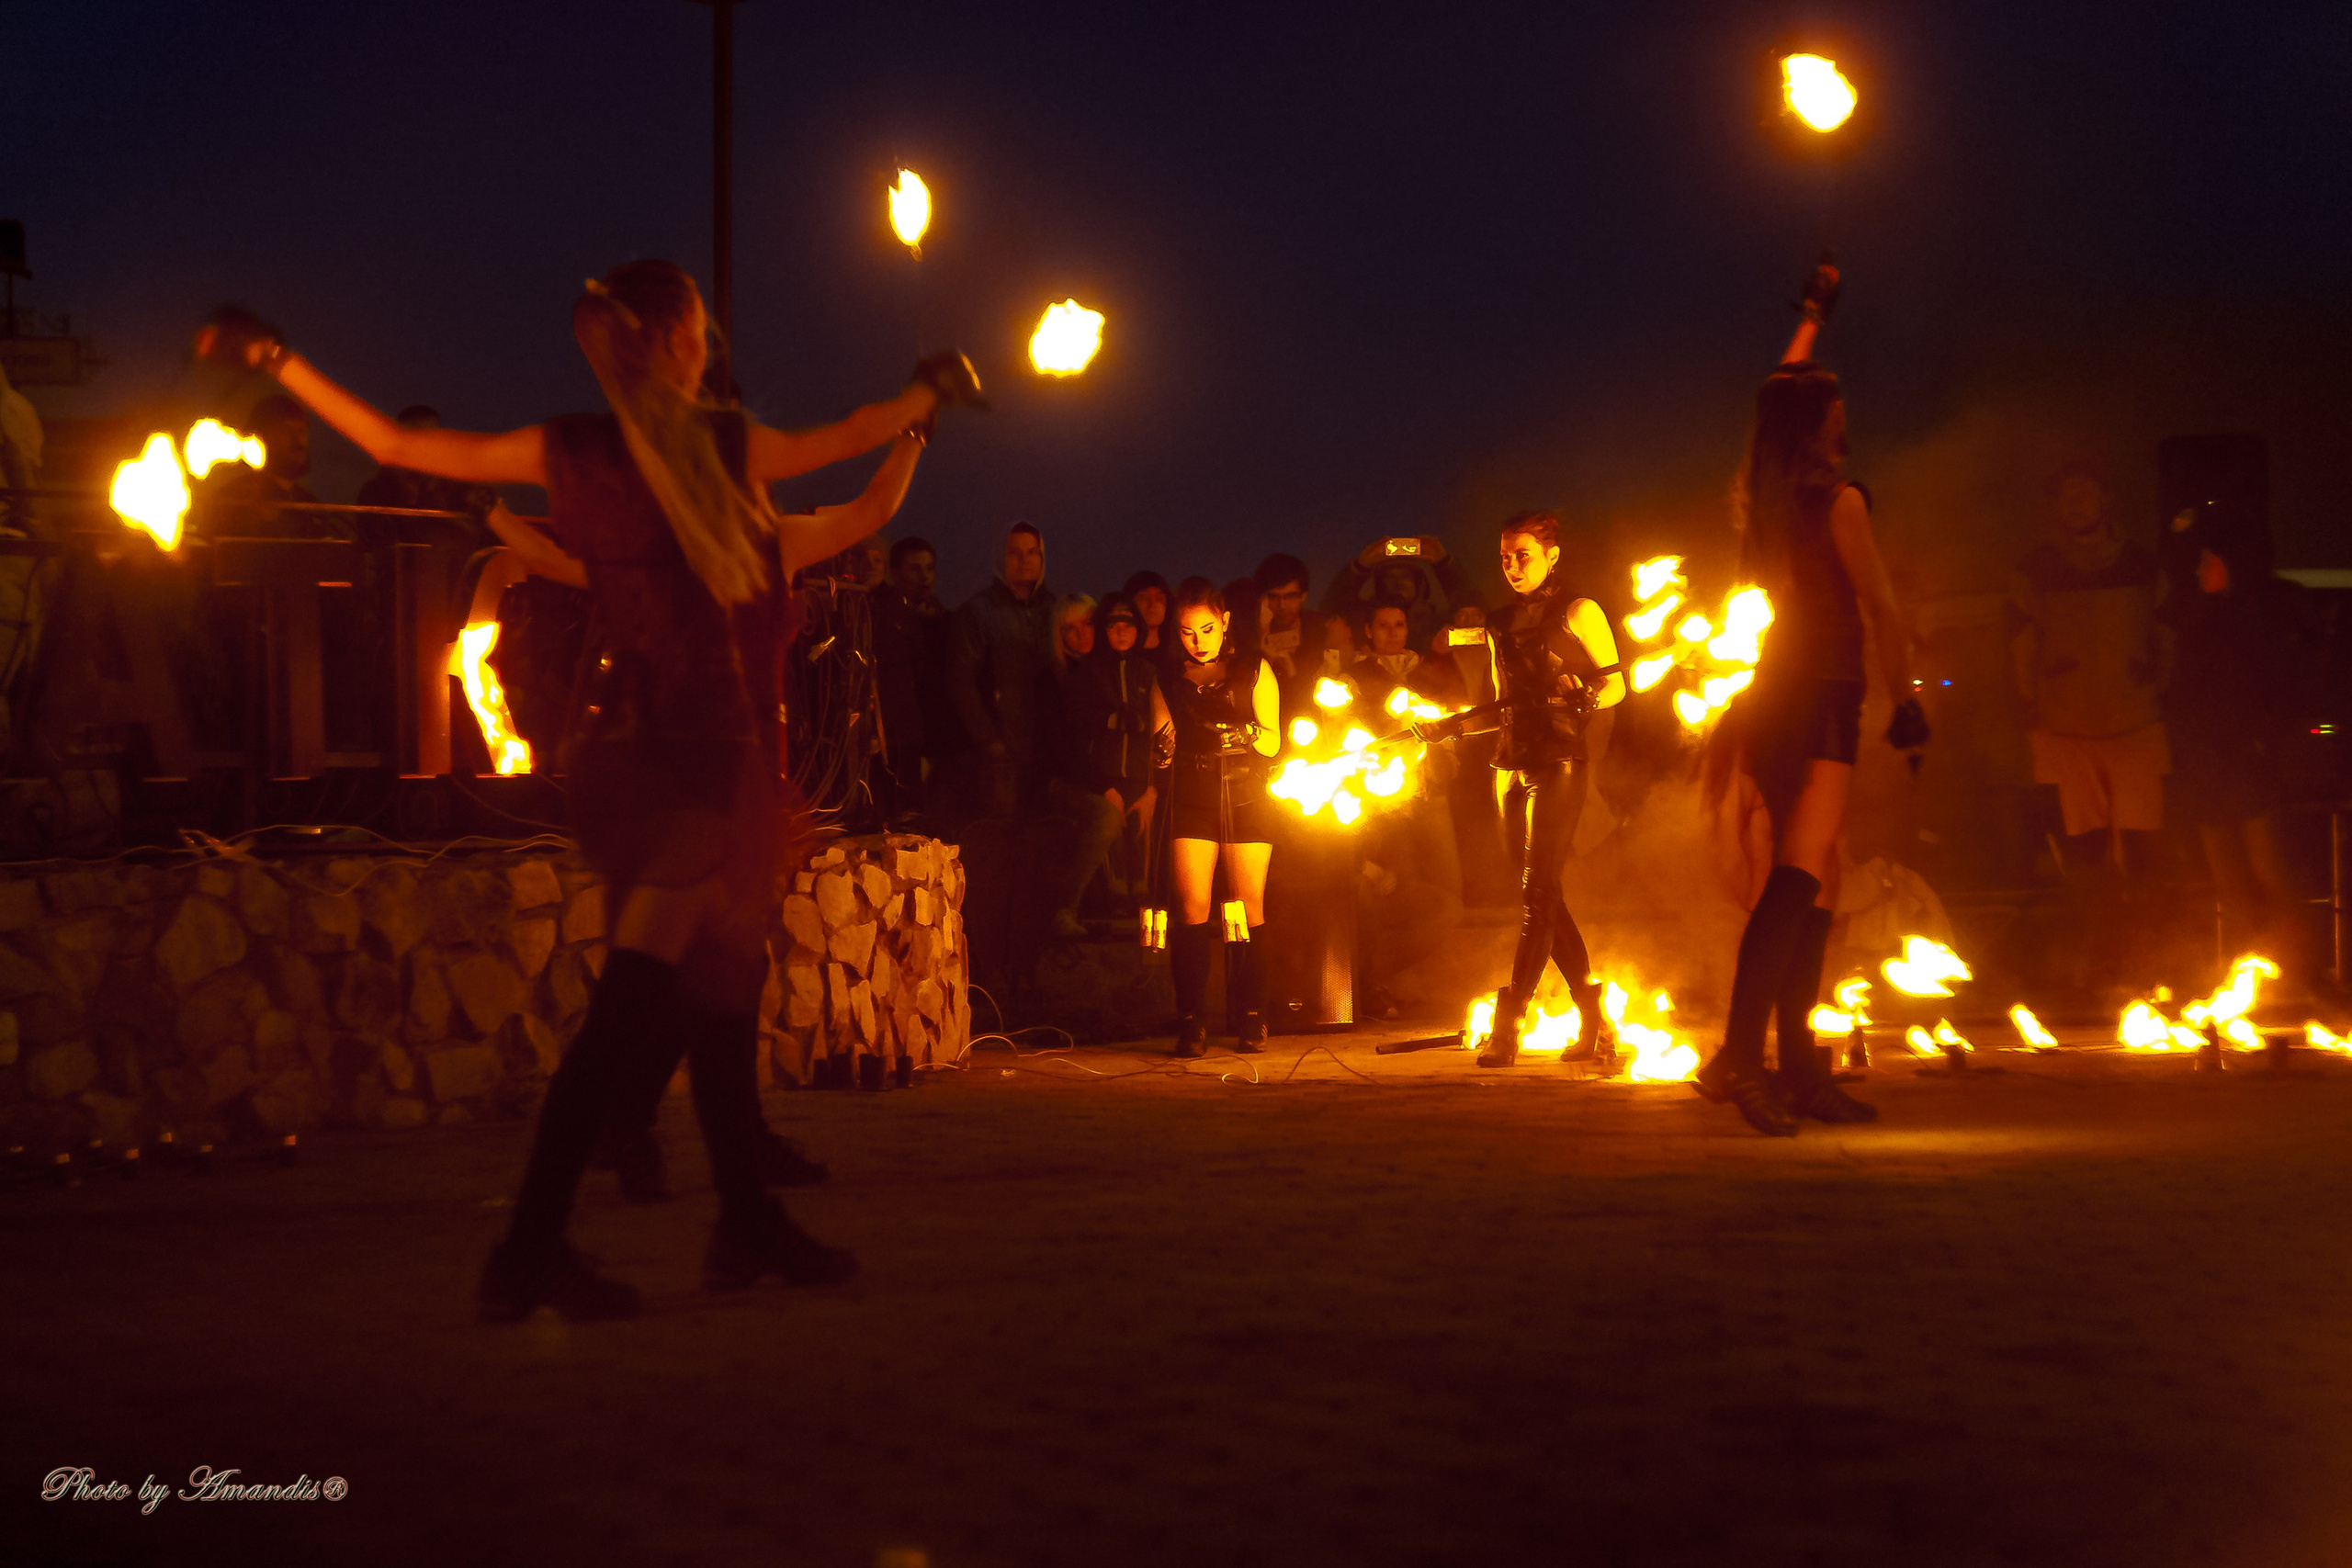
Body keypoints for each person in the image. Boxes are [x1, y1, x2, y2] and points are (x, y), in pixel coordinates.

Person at [194, 273, 971, 1318]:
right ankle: (531, 1246)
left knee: (721, 994)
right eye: (696, 329)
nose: (706, 343)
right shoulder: (720, 449)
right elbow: (850, 434)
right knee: (636, 1006)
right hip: (683, 764)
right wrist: (927, 393)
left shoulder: (584, 447)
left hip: (648, 758)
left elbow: (392, 444)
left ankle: (741, 1224)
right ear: (678, 345)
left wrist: (277, 359)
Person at [1693, 263, 1924, 1135]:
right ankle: (1738, 1061)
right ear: (1826, 422)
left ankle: (1796, 1069)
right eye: (1836, 401)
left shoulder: (1764, 499)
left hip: (1778, 695)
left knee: (1819, 879)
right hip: (1825, 695)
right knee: (1798, 879)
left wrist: (1811, 321)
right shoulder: (1841, 501)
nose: (1844, 408)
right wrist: (1909, 705)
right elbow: (1886, 612)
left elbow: (1774, 398)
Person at [1417, 514, 1624, 1067]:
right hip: (1508, 767)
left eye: (1523, 556)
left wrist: (1585, 696)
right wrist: (1451, 726)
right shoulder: (1500, 622)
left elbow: (1617, 684)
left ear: (1552, 556)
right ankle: (1595, 1021)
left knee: (1539, 892)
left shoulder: (1580, 611)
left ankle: (1510, 1022)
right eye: (1505, 557)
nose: (1512, 566)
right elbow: (1499, 706)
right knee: (1541, 896)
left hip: (1559, 762)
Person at [2005, 464, 2173, 981]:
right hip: (2065, 729)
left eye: (2087, 491)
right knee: (2083, 854)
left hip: (2137, 724)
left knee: (2146, 849)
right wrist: (2028, 713)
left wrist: (2160, 690)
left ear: (2107, 498)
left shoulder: (2145, 565)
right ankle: (2097, 964)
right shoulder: (2035, 570)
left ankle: (2154, 962)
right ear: (2054, 506)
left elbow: (2169, 635)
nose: (2078, 503)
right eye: (2067, 493)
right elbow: (2015, 648)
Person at [2160, 485, 2312, 985]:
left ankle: (2297, 973)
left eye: (2210, 561)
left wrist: (2261, 744)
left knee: (2269, 872)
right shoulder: (2197, 619)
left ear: (2231, 563)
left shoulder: (2261, 617)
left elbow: (2279, 691)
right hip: (2206, 765)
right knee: (2228, 880)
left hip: (2247, 763)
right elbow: (2182, 689)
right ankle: (2255, 975)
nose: (2200, 569)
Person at [1149, 577, 1280, 1056]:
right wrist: (1161, 753)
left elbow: (1273, 741)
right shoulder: (1167, 677)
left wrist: (1241, 728)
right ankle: (1192, 1022)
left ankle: (1251, 1017)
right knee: (1192, 909)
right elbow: (1161, 750)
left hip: (1246, 793)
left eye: (1207, 629)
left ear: (1225, 623)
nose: (1199, 641)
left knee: (1247, 908)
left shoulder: (1254, 668)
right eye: (1187, 632)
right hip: (1194, 794)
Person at [1051, 592, 1158, 910]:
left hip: (1139, 775)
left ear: (1138, 629)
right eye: (1113, 626)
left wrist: (1153, 785)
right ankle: (1108, 901)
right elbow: (1075, 725)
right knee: (1112, 842)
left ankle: (1141, 901)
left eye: (1129, 625)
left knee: (1141, 840)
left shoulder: (1148, 673)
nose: (1122, 632)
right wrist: (1108, 720)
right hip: (1104, 774)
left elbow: (1161, 731)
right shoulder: (1089, 673)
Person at [948, 522, 1058, 820]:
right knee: (1001, 836)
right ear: (1001, 558)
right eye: (1015, 552)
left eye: (1032, 552)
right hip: (1001, 755)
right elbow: (961, 680)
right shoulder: (978, 612)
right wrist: (989, 742)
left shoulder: (1056, 611)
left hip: (1047, 753)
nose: (1024, 560)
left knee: (1043, 837)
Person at [1035, 594, 1124, 937]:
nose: (1080, 635)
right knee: (1107, 814)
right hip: (1063, 779)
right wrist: (1105, 787)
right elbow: (1062, 748)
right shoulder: (1051, 679)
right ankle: (1064, 909)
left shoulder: (1115, 672)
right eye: (1068, 629)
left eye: (1086, 624)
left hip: (1108, 773)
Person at [872, 535, 953, 817]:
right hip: (901, 737)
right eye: (914, 569)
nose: (924, 577)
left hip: (937, 740)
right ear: (895, 573)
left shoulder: (943, 623)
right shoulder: (884, 619)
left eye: (929, 568)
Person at [356, 404, 501, 541]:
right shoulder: (377, 490)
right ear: (402, 436)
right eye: (417, 432)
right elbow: (373, 539)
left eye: (432, 433)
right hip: (400, 562)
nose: (426, 441)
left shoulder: (458, 485)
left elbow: (485, 530)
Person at [1322, 535, 1475, 653]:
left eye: (1406, 576)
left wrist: (1444, 563)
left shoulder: (1436, 623)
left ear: (1418, 583)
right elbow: (1331, 608)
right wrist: (1361, 566)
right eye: (1391, 577)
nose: (1398, 582)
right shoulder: (1363, 619)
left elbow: (1471, 605)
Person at [1252, 553, 1329, 718]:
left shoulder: (1322, 629)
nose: (1282, 605)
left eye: (1290, 596)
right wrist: (1261, 636)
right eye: (1274, 597)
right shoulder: (1249, 636)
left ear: (1303, 596)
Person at [1124, 570, 1170, 656]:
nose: (1152, 604)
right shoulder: (1122, 654)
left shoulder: (1178, 653)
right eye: (1143, 597)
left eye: (1159, 598)